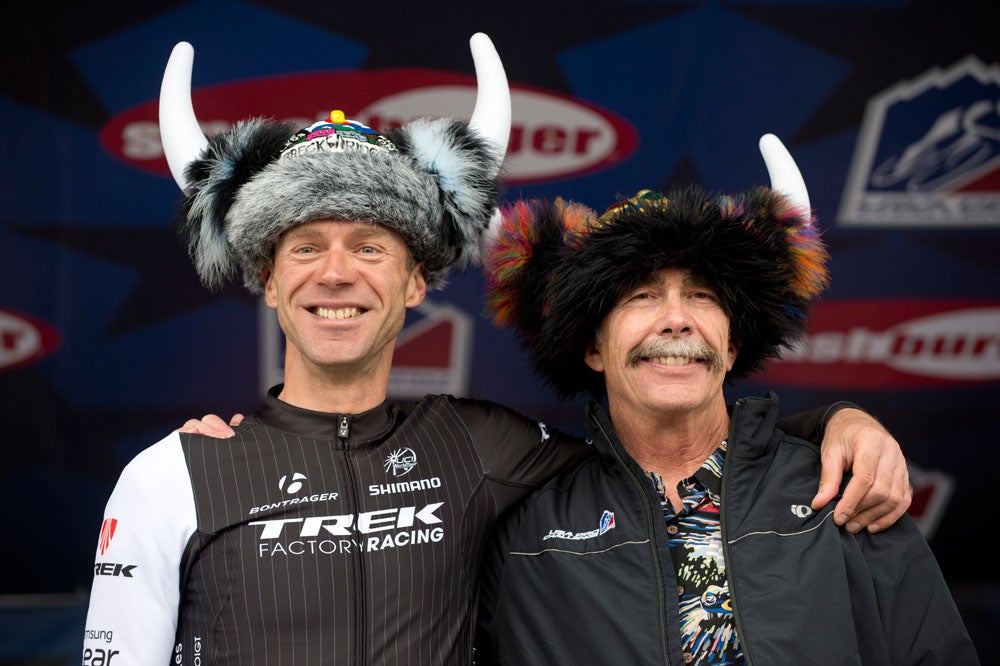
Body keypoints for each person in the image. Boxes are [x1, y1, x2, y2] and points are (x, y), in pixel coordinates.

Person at [82, 34, 910, 666]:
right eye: (305, 247)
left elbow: (667, 443)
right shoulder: (171, 476)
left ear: (417, 283)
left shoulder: (483, 448)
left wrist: (836, 424)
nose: (336, 272)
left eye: (371, 246)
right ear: (265, 279)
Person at [474, 135, 978, 664]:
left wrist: (843, 421)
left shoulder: (846, 494)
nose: (676, 318)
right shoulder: (524, 531)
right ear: (592, 347)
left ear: (732, 345)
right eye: (640, 295)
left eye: (702, 295)